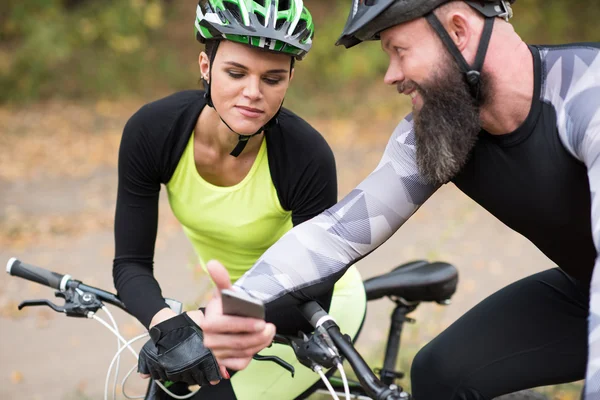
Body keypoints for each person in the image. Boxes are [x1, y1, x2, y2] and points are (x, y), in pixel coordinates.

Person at [201, 0, 600, 398]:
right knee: (441, 375)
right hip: (584, 289)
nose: (391, 76)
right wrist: (239, 303)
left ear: (458, 31)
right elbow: (337, 233)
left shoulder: (587, 94)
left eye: (399, 50)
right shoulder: (444, 126)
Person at [112, 0, 366, 399]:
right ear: (205, 66)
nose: (253, 94)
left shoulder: (306, 157)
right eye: (235, 72)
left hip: (306, 310)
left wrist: (201, 320)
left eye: (273, 78)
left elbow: (313, 290)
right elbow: (130, 264)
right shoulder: (153, 132)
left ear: (290, 79)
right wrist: (166, 322)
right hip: (221, 309)